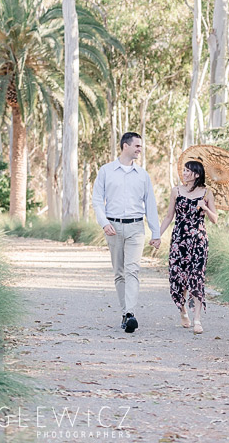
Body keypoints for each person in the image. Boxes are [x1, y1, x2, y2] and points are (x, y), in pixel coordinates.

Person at [92, 132, 161, 333]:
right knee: (119, 273)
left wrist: (155, 233)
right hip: (113, 227)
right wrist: (104, 223)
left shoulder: (143, 175)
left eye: (140, 146)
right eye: (137, 146)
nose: (140, 149)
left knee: (133, 270)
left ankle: (130, 313)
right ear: (125, 146)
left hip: (136, 228)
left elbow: (150, 204)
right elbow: (97, 200)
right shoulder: (106, 171)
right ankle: (124, 312)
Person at [160, 160, 217, 334]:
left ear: (197, 175)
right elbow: (169, 216)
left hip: (198, 241)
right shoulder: (176, 191)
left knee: (197, 277)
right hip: (179, 239)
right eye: (183, 170)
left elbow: (215, 219)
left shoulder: (207, 192)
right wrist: (157, 235)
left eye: (188, 171)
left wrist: (206, 209)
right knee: (179, 277)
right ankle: (183, 310)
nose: (184, 173)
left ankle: (197, 320)